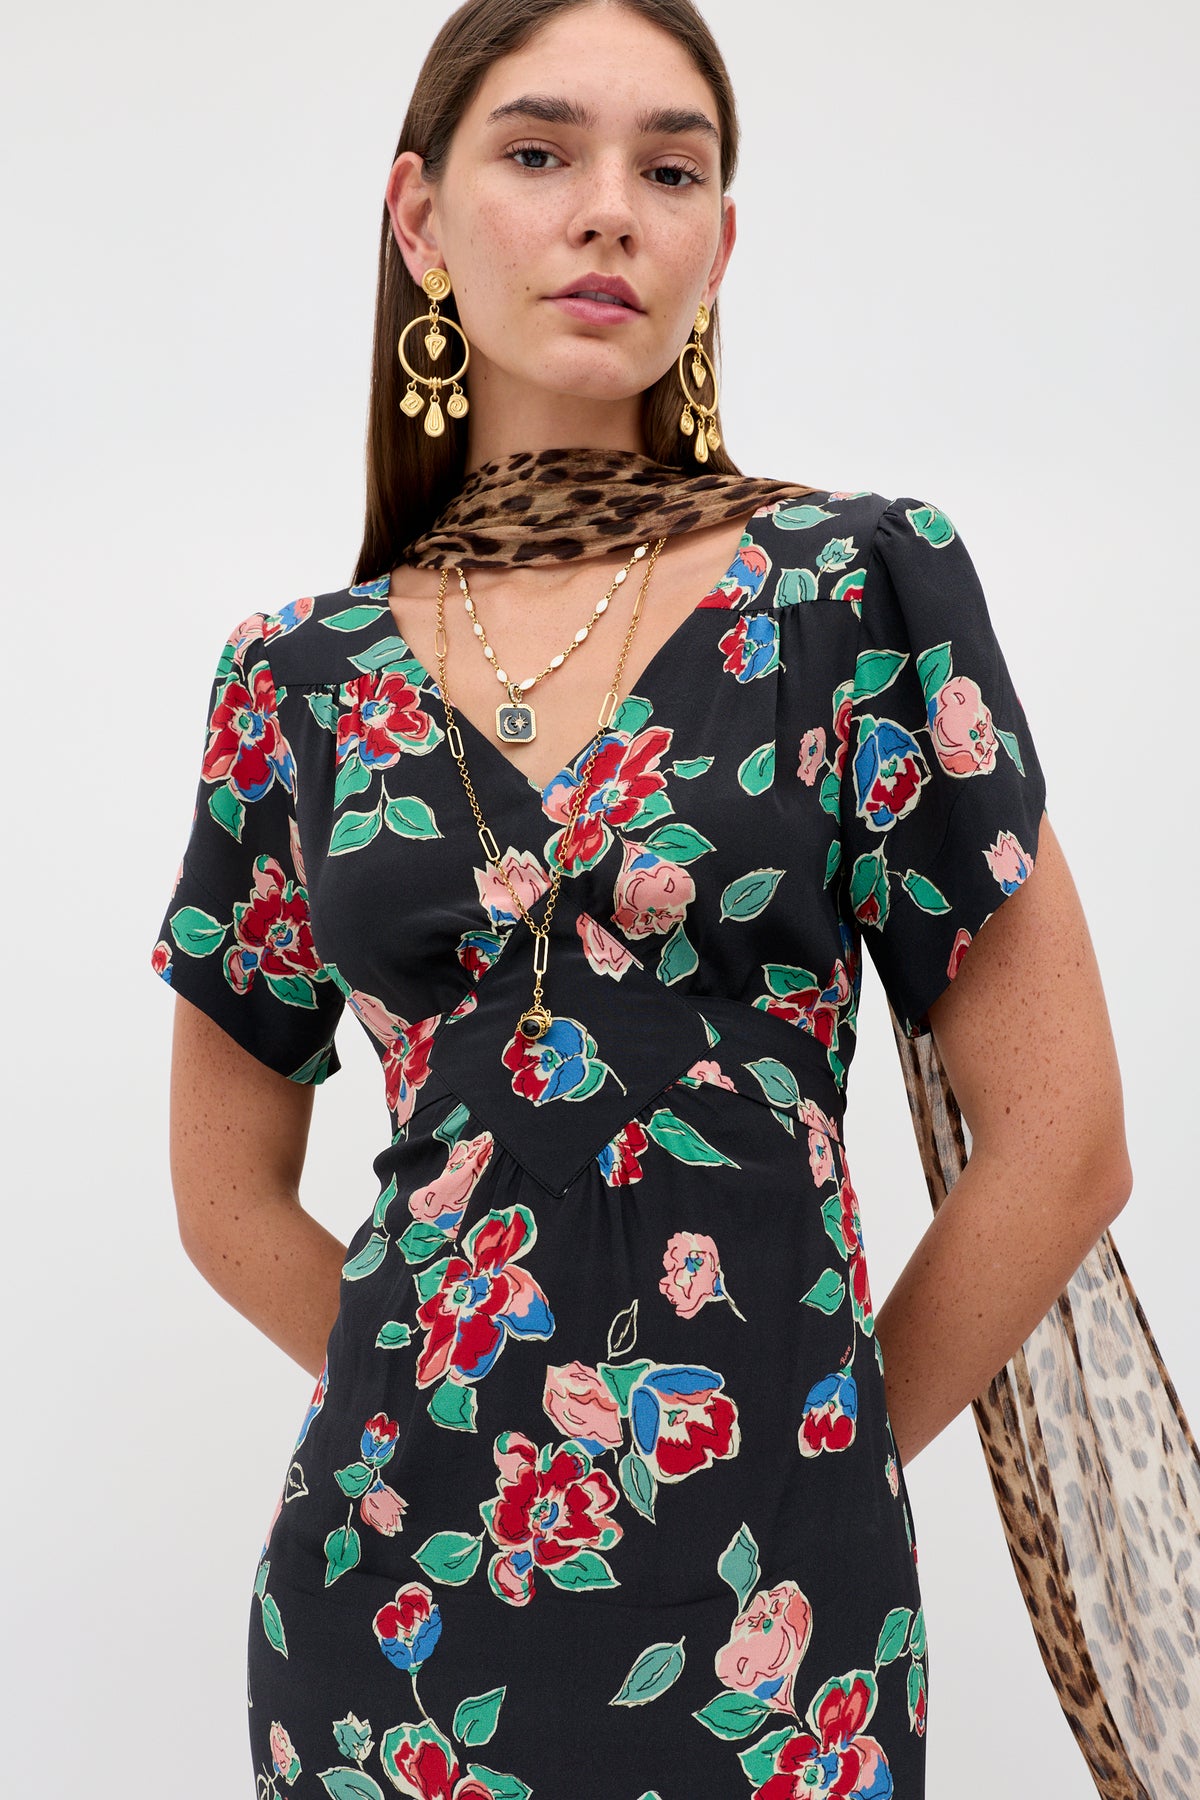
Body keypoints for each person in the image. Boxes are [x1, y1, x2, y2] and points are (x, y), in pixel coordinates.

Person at [150, 3, 1138, 1795]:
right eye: (539, 154)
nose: (610, 209)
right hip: (389, 1614)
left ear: (718, 244)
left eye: (669, 168)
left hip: (779, 1605)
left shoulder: (856, 592)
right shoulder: (295, 680)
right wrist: (445, 1404)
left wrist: (806, 1446)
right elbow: (222, 1191)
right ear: (422, 221)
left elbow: (1065, 1141)